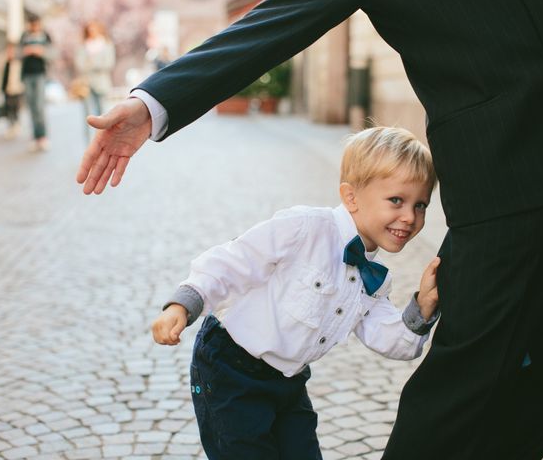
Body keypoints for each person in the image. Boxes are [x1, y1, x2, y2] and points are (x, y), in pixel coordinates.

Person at [76, 0, 543, 458]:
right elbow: (274, 21)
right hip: (499, 171)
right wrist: (155, 102)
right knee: (468, 378)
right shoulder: (302, 229)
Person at [151, 127, 440, 459]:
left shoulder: (373, 279)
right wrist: (183, 304)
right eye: (396, 201)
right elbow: (232, 262)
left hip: (288, 383)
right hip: (229, 370)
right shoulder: (303, 228)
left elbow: (389, 338)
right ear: (351, 197)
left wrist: (425, 305)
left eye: (421, 205)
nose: (410, 217)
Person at [20, 14, 53, 152]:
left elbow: (53, 54)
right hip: (27, 74)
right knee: (32, 107)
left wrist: (41, 52)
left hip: (40, 74)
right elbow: (17, 53)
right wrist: (25, 52)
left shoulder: (45, 36)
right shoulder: (24, 36)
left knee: (39, 106)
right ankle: (35, 136)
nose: (33, 27)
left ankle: (42, 136)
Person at [74, 21, 116, 121]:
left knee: (103, 112)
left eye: (94, 29)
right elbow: (79, 64)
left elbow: (109, 63)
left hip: (101, 82)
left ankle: (103, 135)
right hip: (86, 83)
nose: (92, 32)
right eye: (89, 30)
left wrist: (92, 64)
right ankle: (89, 136)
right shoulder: (83, 46)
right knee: (87, 113)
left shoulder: (106, 45)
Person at [0, 42, 24, 139]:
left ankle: (16, 125)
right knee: (8, 108)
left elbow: (21, 76)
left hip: (15, 89)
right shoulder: (3, 59)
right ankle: (10, 126)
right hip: (5, 88)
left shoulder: (18, 61)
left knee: (15, 108)